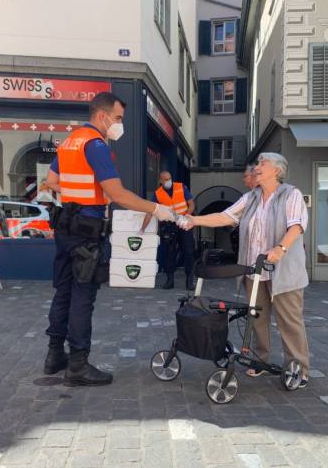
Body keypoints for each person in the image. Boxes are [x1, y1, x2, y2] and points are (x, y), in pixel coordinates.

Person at [43, 92, 174, 386]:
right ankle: (77, 364)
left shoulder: (69, 142)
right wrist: (157, 209)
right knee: (82, 296)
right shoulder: (96, 145)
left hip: (64, 227)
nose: (119, 125)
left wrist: (73, 197)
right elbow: (117, 195)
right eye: (117, 118)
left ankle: (54, 356)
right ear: (102, 116)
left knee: (62, 291)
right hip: (86, 231)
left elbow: (50, 183)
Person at [180, 152, 311, 386]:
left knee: (289, 321)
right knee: (257, 318)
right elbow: (225, 216)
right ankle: (259, 361)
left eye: (263, 164)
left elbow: (297, 225)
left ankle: (299, 368)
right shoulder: (251, 197)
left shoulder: (290, 194)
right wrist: (194, 220)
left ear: (277, 170)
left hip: (284, 271)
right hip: (255, 270)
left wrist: (280, 248)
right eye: (258, 163)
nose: (257, 167)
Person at [141, 171, 196, 290]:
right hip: (169, 225)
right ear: (161, 181)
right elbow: (151, 211)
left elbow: (191, 204)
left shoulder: (181, 187)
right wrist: (142, 229)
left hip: (184, 223)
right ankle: (169, 280)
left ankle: (189, 281)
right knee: (169, 253)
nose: (168, 181)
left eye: (169, 178)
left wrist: (186, 216)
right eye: (165, 180)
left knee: (188, 252)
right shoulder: (158, 194)